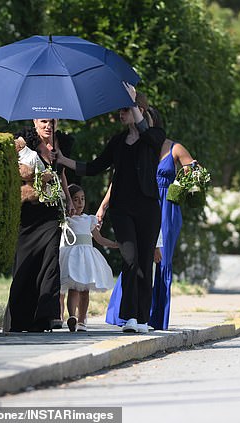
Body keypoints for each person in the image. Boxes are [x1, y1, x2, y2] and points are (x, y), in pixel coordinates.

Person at [56, 83, 165, 334]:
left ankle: (142, 318)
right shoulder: (117, 141)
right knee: (130, 258)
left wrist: (134, 100)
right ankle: (129, 317)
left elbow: (146, 133)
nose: (120, 113)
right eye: (120, 109)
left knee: (144, 261)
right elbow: (95, 166)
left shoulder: (154, 136)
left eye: (125, 108)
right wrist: (64, 160)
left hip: (148, 208)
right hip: (122, 209)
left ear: (138, 109)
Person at [101, 103, 196, 330]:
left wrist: (182, 187)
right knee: (134, 259)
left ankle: (153, 317)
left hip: (166, 208)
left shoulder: (174, 148)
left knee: (158, 262)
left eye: (146, 119)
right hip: (140, 204)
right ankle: (127, 314)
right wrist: (103, 207)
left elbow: (193, 173)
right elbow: (119, 179)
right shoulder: (136, 147)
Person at [3, 119, 74, 333]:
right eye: (44, 121)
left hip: (51, 213)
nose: (48, 126)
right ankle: (19, 319)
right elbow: (13, 169)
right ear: (35, 122)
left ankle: (45, 317)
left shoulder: (61, 143)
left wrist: (68, 199)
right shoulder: (24, 140)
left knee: (50, 261)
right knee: (26, 264)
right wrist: (38, 177)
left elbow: (61, 174)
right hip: (28, 214)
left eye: (52, 122)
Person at [60, 184, 118, 332]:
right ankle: (72, 317)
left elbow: (99, 239)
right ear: (69, 201)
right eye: (75, 199)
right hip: (72, 257)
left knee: (85, 291)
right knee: (73, 288)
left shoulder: (89, 219)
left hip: (86, 259)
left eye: (82, 199)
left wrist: (114, 244)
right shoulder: (66, 220)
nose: (80, 203)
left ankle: (82, 320)